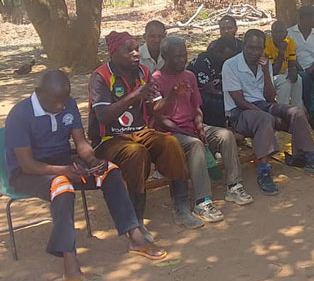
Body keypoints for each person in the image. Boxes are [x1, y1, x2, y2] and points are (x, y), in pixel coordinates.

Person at [5, 71, 167, 280]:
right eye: (56, 102)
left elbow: (80, 143)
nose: (61, 107)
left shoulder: (68, 103)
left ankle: (135, 238)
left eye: (64, 100)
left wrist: (92, 161)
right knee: (62, 187)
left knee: (110, 171)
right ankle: (70, 262)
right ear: (38, 93)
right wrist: (64, 171)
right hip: (27, 174)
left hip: (63, 161)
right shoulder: (20, 114)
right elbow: (27, 165)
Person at [89, 31, 201, 233]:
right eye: (129, 50)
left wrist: (170, 97)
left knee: (171, 144)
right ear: (113, 53)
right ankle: (136, 220)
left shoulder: (143, 73)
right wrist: (135, 95)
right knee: (135, 153)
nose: (136, 54)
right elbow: (103, 116)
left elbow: (154, 110)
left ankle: (182, 208)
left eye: (136, 49)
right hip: (109, 138)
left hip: (140, 131)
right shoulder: (101, 77)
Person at [152, 37, 254, 224]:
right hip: (169, 132)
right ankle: (203, 200)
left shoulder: (189, 76)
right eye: (177, 57)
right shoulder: (156, 79)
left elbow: (196, 107)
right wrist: (173, 96)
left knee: (226, 135)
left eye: (184, 55)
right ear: (165, 56)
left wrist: (199, 127)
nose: (182, 60)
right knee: (195, 145)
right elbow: (158, 116)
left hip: (192, 127)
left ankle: (234, 185)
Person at [222, 29, 314, 196]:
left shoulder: (264, 63)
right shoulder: (231, 65)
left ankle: (308, 157)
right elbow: (239, 100)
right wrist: (267, 114)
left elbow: (270, 96)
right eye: (250, 47)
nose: (254, 52)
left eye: (258, 48)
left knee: (296, 112)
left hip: (262, 104)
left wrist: (267, 72)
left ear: (263, 48)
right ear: (243, 46)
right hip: (239, 112)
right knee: (265, 119)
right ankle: (264, 171)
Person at [187, 37, 238, 128]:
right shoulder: (203, 61)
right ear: (218, 53)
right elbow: (207, 87)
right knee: (218, 104)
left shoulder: (225, 63)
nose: (229, 59)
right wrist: (225, 94)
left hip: (219, 89)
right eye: (227, 56)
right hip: (198, 93)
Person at [287, 5, 314, 104]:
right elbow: (290, 55)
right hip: (295, 67)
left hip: (312, 67)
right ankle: (310, 106)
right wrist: (301, 69)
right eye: (313, 17)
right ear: (304, 18)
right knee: (304, 78)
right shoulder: (290, 33)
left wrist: (311, 69)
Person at [264, 21, 303, 108]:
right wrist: (281, 52)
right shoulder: (267, 45)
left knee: (298, 79)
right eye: (276, 32)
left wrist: (293, 70)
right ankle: (282, 109)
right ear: (272, 33)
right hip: (269, 75)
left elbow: (292, 63)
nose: (279, 35)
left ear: (286, 33)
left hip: (284, 72)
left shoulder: (290, 42)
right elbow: (274, 71)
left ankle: (297, 108)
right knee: (284, 82)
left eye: (282, 32)